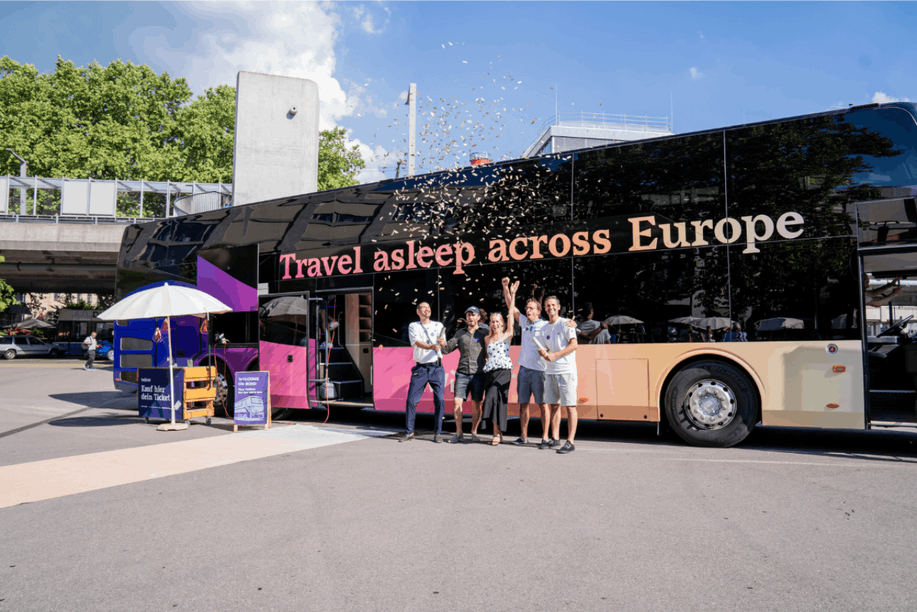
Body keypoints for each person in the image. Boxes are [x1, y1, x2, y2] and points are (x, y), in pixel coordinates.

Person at [537, 296, 579, 454]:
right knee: (554, 406)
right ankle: (555, 438)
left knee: (570, 407)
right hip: (551, 371)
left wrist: (555, 355)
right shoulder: (544, 328)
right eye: (547, 306)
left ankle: (570, 441)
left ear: (559, 307)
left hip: (566, 371)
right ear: (545, 308)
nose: (550, 308)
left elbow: (574, 344)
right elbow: (546, 350)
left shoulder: (566, 323)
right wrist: (544, 353)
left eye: (553, 305)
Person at [401, 302, 447, 443]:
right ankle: (409, 433)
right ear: (418, 312)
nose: (427, 309)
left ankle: (438, 433)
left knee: (439, 399)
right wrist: (431, 346)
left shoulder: (438, 325)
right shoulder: (413, 326)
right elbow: (417, 342)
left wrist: (442, 343)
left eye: (428, 307)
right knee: (411, 401)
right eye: (423, 308)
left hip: (437, 368)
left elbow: (443, 343)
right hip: (421, 368)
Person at [441, 306, 488, 443]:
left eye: (473, 315)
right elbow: (447, 349)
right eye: (468, 315)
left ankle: (474, 432)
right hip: (462, 373)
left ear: (478, 317)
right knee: (457, 402)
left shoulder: (485, 332)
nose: (470, 317)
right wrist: (442, 342)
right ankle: (459, 432)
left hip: (479, 374)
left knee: (476, 405)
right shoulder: (460, 333)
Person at [482, 308, 515, 445]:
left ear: (502, 323)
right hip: (490, 372)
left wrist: (511, 295)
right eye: (492, 322)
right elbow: (487, 356)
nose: (494, 324)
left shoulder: (507, 334)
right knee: (497, 402)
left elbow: (511, 316)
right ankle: (497, 433)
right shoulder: (487, 339)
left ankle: (496, 433)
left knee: (491, 398)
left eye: (497, 321)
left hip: (504, 372)